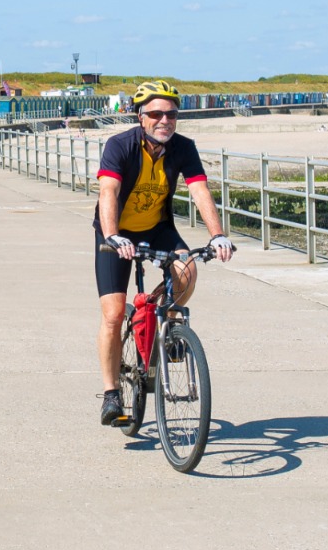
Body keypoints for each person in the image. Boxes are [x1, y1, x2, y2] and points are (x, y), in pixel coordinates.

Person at [94, 80, 234, 426]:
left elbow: (200, 190)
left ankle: (168, 320)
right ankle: (111, 394)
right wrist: (111, 235)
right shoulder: (120, 145)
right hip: (117, 233)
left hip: (157, 228)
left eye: (171, 114)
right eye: (156, 114)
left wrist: (217, 236)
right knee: (113, 314)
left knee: (187, 268)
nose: (164, 121)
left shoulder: (183, 147)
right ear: (140, 117)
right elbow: (108, 191)